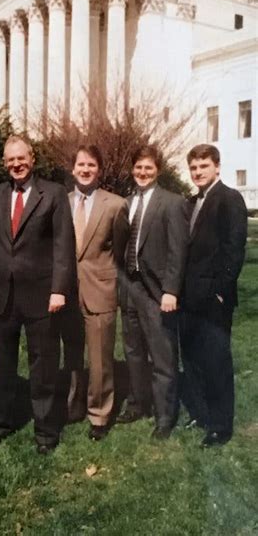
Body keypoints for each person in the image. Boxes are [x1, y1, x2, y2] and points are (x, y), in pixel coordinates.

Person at [0, 135, 76, 454]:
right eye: (10, 160)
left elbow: (64, 246)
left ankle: (46, 431)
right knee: (3, 364)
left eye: (21, 158)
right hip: (2, 296)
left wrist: (59, 290)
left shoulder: (54, 193)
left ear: (32, 158)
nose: (16, 164)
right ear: (4, 163)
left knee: (43, 365)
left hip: (41, 295)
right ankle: (3, 420)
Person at [118, 145, 188, 439]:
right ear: (132, 169)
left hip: (157, 291)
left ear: (157, 170)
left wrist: (171, 290)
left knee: (162, 356)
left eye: (148, 168)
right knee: (133, 351)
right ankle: (138, 403)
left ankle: (164, 416)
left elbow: (178, 251)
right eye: (138, 167)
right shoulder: (127, 202)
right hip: (130, 287)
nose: (142, 173)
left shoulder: (171, 202)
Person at [181, 144, 247, 447]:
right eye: (193, 167)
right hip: (189, 297)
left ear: (217, 167)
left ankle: (221, 425)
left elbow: (234, 249)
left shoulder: (229, 199)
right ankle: (202, 414)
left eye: (203, 166)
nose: (198, 172)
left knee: (216, 362)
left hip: (213, 299)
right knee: (192, 359)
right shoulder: (191, 201)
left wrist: (221, 291)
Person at [67, 145, 129, 440]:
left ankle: (100, 414)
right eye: (81, 164)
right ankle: (73, 404)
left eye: (91, 164)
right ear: (73, 168)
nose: (85, 169)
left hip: (100, 289)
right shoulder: (62, 202)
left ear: (99, 170)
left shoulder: (115, 205)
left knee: (101, 358)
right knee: (72, 354)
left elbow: (120, 251)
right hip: (67, 292)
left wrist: (109, 281)